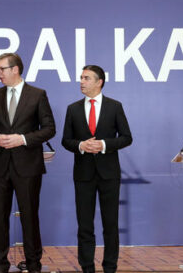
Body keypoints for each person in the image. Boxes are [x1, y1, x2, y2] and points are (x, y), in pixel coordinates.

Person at [0, 52, 56, 273]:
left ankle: (34, 264)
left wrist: (22, 139)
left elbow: (49, 129)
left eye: (1, 69)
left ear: (15, 69)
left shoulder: (37, 94)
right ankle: (0, 265)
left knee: (30, 216)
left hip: (28, 167)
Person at [61, 65, 132, 273]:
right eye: (81, 78)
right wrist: (81, 145)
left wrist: (103, 145)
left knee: (110, 225)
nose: (81, 81)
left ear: (99, 82)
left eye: (86, 78)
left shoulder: (114, 106)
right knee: (85, 226)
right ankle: (87, 267)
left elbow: (127, 137)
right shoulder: (72, 108)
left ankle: (110, 267)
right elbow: (66, 140)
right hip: (83, 175)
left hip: (109, 174)